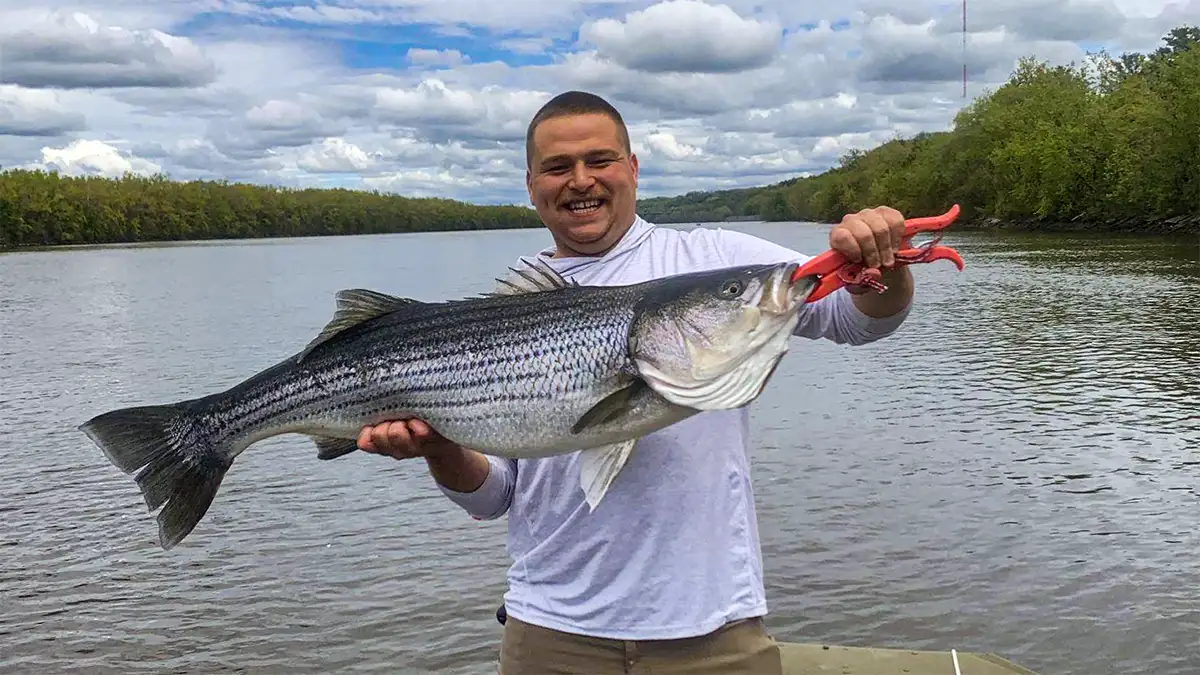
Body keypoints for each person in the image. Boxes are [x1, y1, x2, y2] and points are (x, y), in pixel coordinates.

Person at [356, 91, 917, 674]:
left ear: (632, 168)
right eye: (557, 167)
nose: (580, 181)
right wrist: (441, 448)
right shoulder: (507, 315)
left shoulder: (715, 258)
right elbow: (495, 497)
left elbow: (856, 321)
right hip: (551, 633)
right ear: (531, 185)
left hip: (713, 630)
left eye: (599, 160)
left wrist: (884, 268)